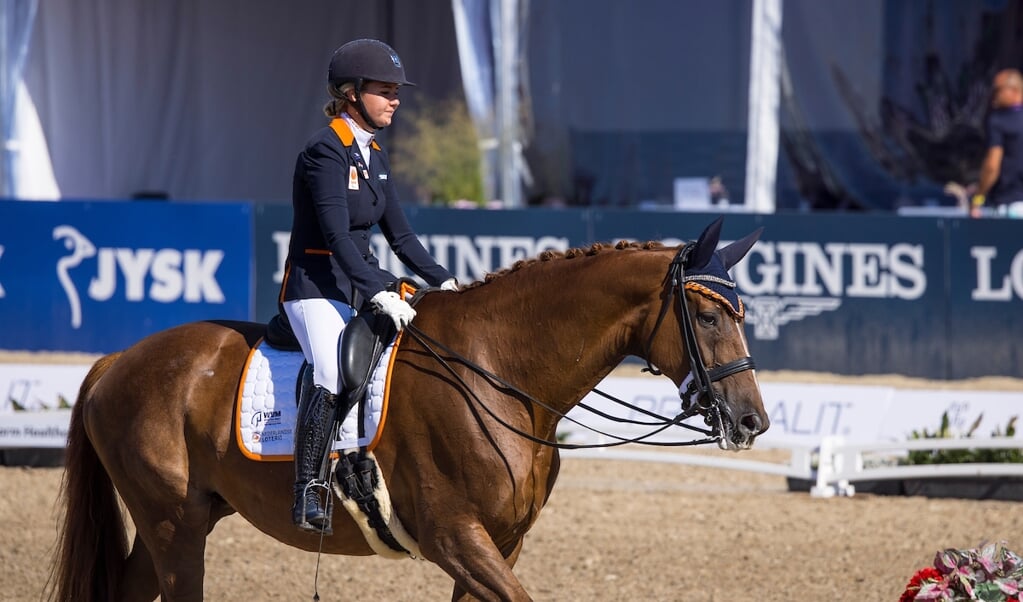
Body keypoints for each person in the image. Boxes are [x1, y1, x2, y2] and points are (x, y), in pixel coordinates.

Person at [278, 38, 457, 532]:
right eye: (385, 90)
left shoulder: (374, 153)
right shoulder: (324, 150)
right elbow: (336, 235)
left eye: (397, 90)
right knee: (332, 372)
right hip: (315, 286)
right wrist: (378, 290)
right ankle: (309, 489)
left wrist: (446, 282)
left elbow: (401, 235)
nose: (395, 99)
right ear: (351, 92)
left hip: (360, 283)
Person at [973, 68, 1023, 218]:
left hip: (1010, 207)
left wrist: (977, 198)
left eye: (997, 90)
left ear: (1014, 91)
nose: (993, 95)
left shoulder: (998, 121)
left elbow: (992, 167)